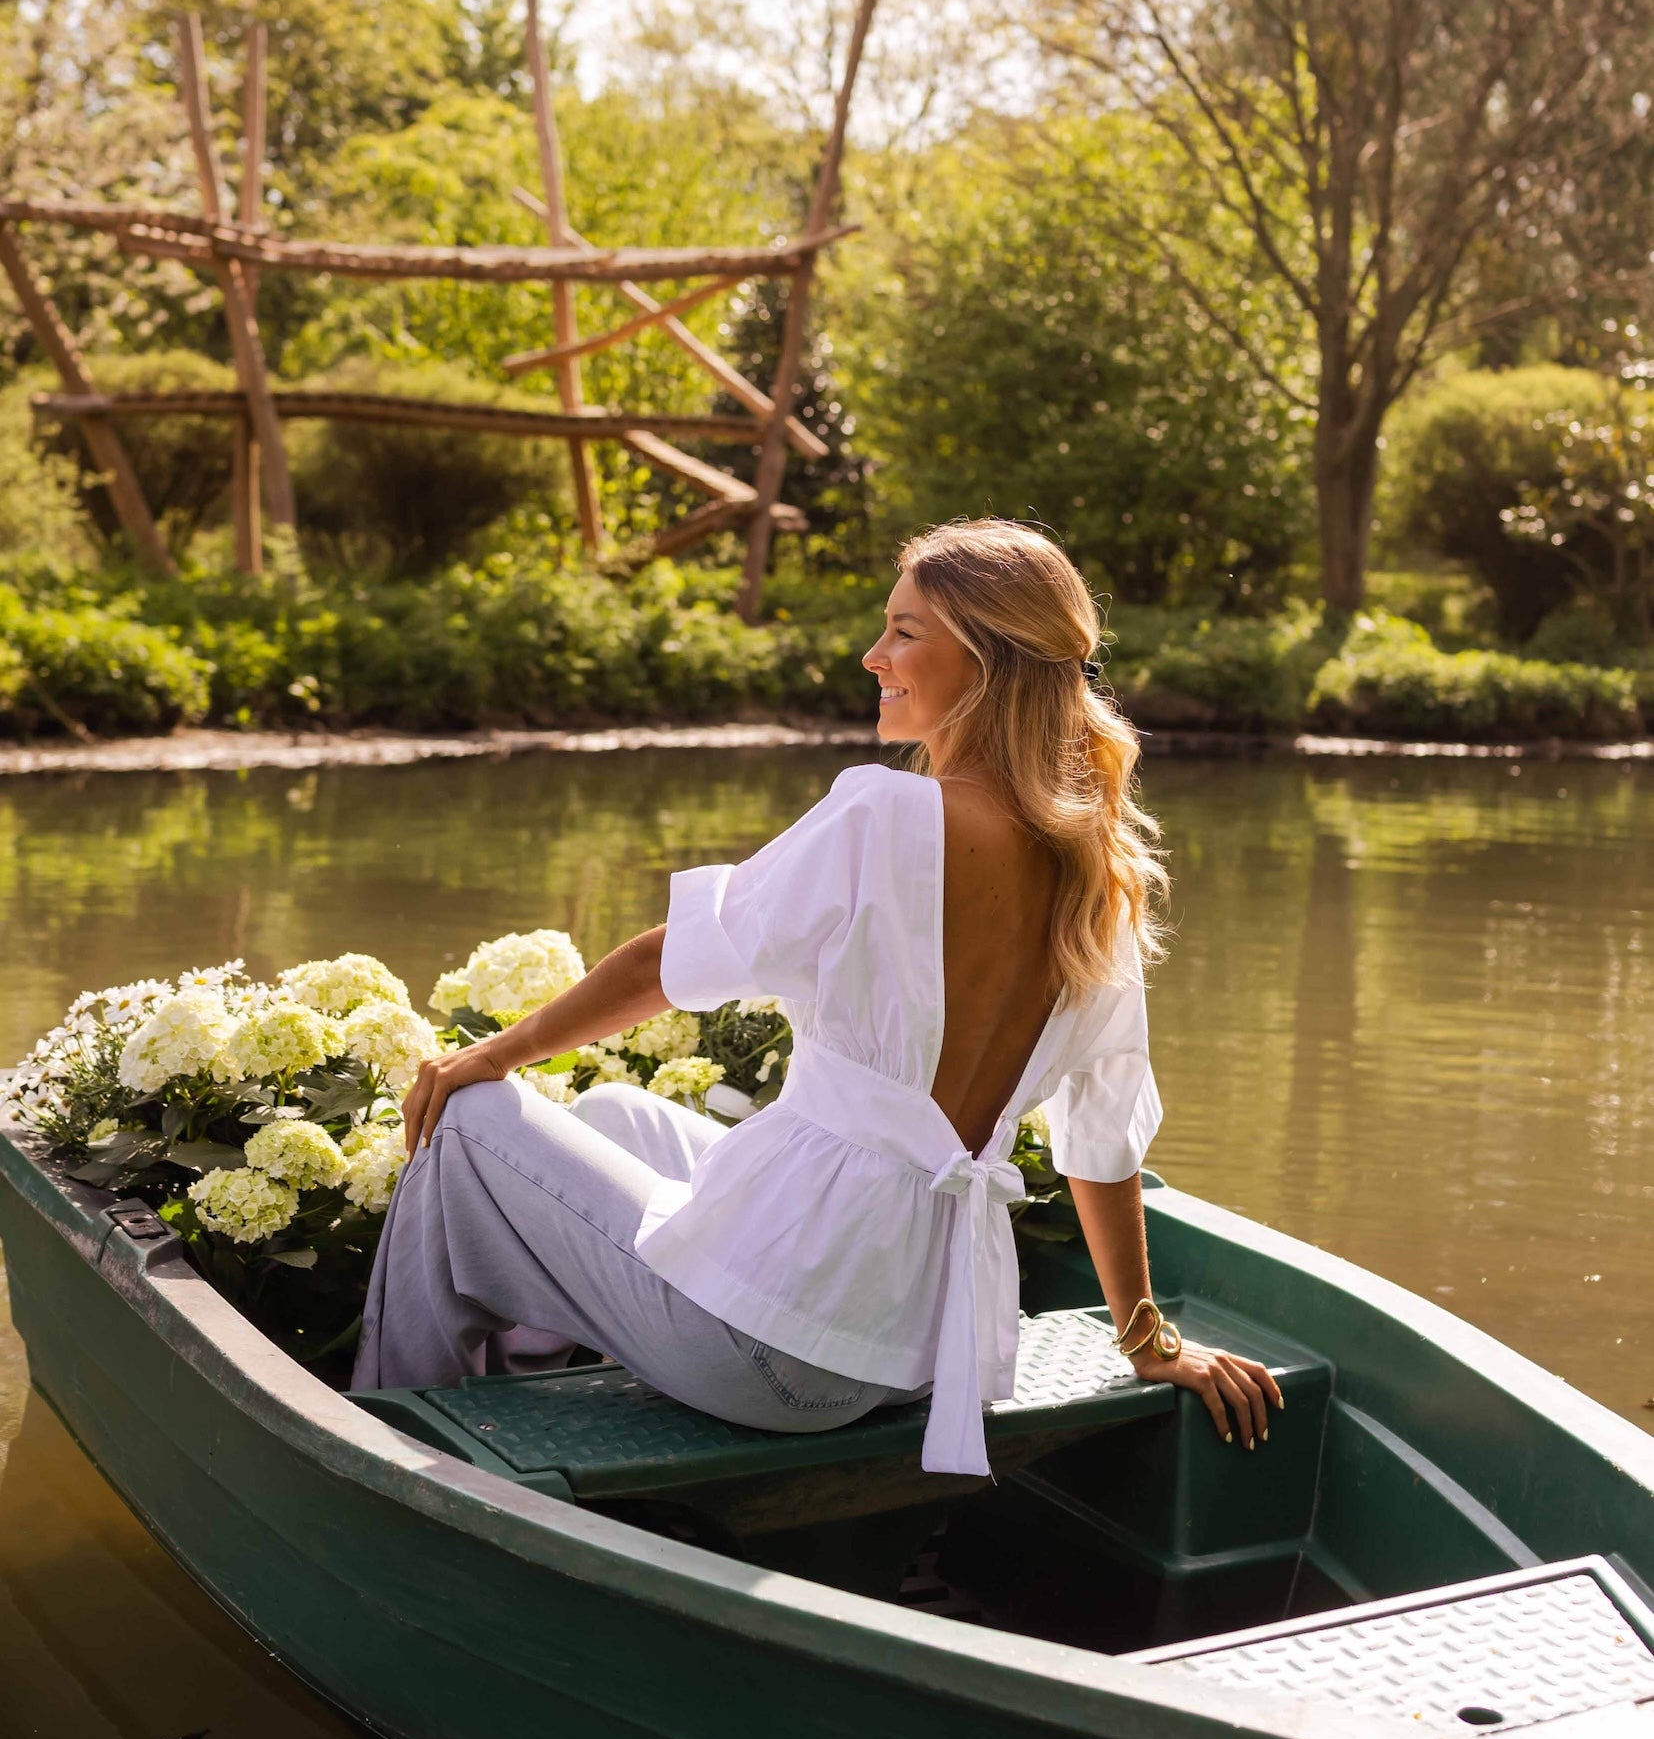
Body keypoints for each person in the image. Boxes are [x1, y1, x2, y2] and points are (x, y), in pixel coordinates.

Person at [353, 521, 1281, 1472]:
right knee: (615, 1115)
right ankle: (520, 1390)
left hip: (769, 1353)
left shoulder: (885, 815)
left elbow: (668, 961)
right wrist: (1147, 1340)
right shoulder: (1100, 876)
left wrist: (491, 1052)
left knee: (468, 1119)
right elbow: (1105, 1137)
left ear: (988, 661)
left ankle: (380, 1437)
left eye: (905, 632)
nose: (874, 655)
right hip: (919, 1348)